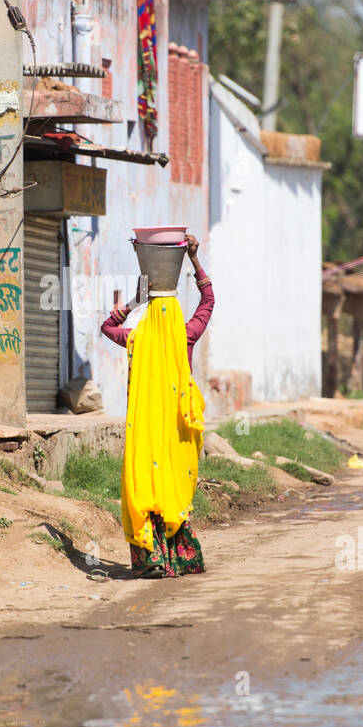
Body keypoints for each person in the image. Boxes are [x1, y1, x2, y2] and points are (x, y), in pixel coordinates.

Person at [101, 234, 214, 577]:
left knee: (146, 481)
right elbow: (209, 299)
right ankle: (180, 558)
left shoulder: (136, 337)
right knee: (172, 484)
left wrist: (135, 303)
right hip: (176, 429)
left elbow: (107, 326)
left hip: (145, 429)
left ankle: (151, 559)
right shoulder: (186, 333)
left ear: (150, 315)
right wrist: (193, 260)